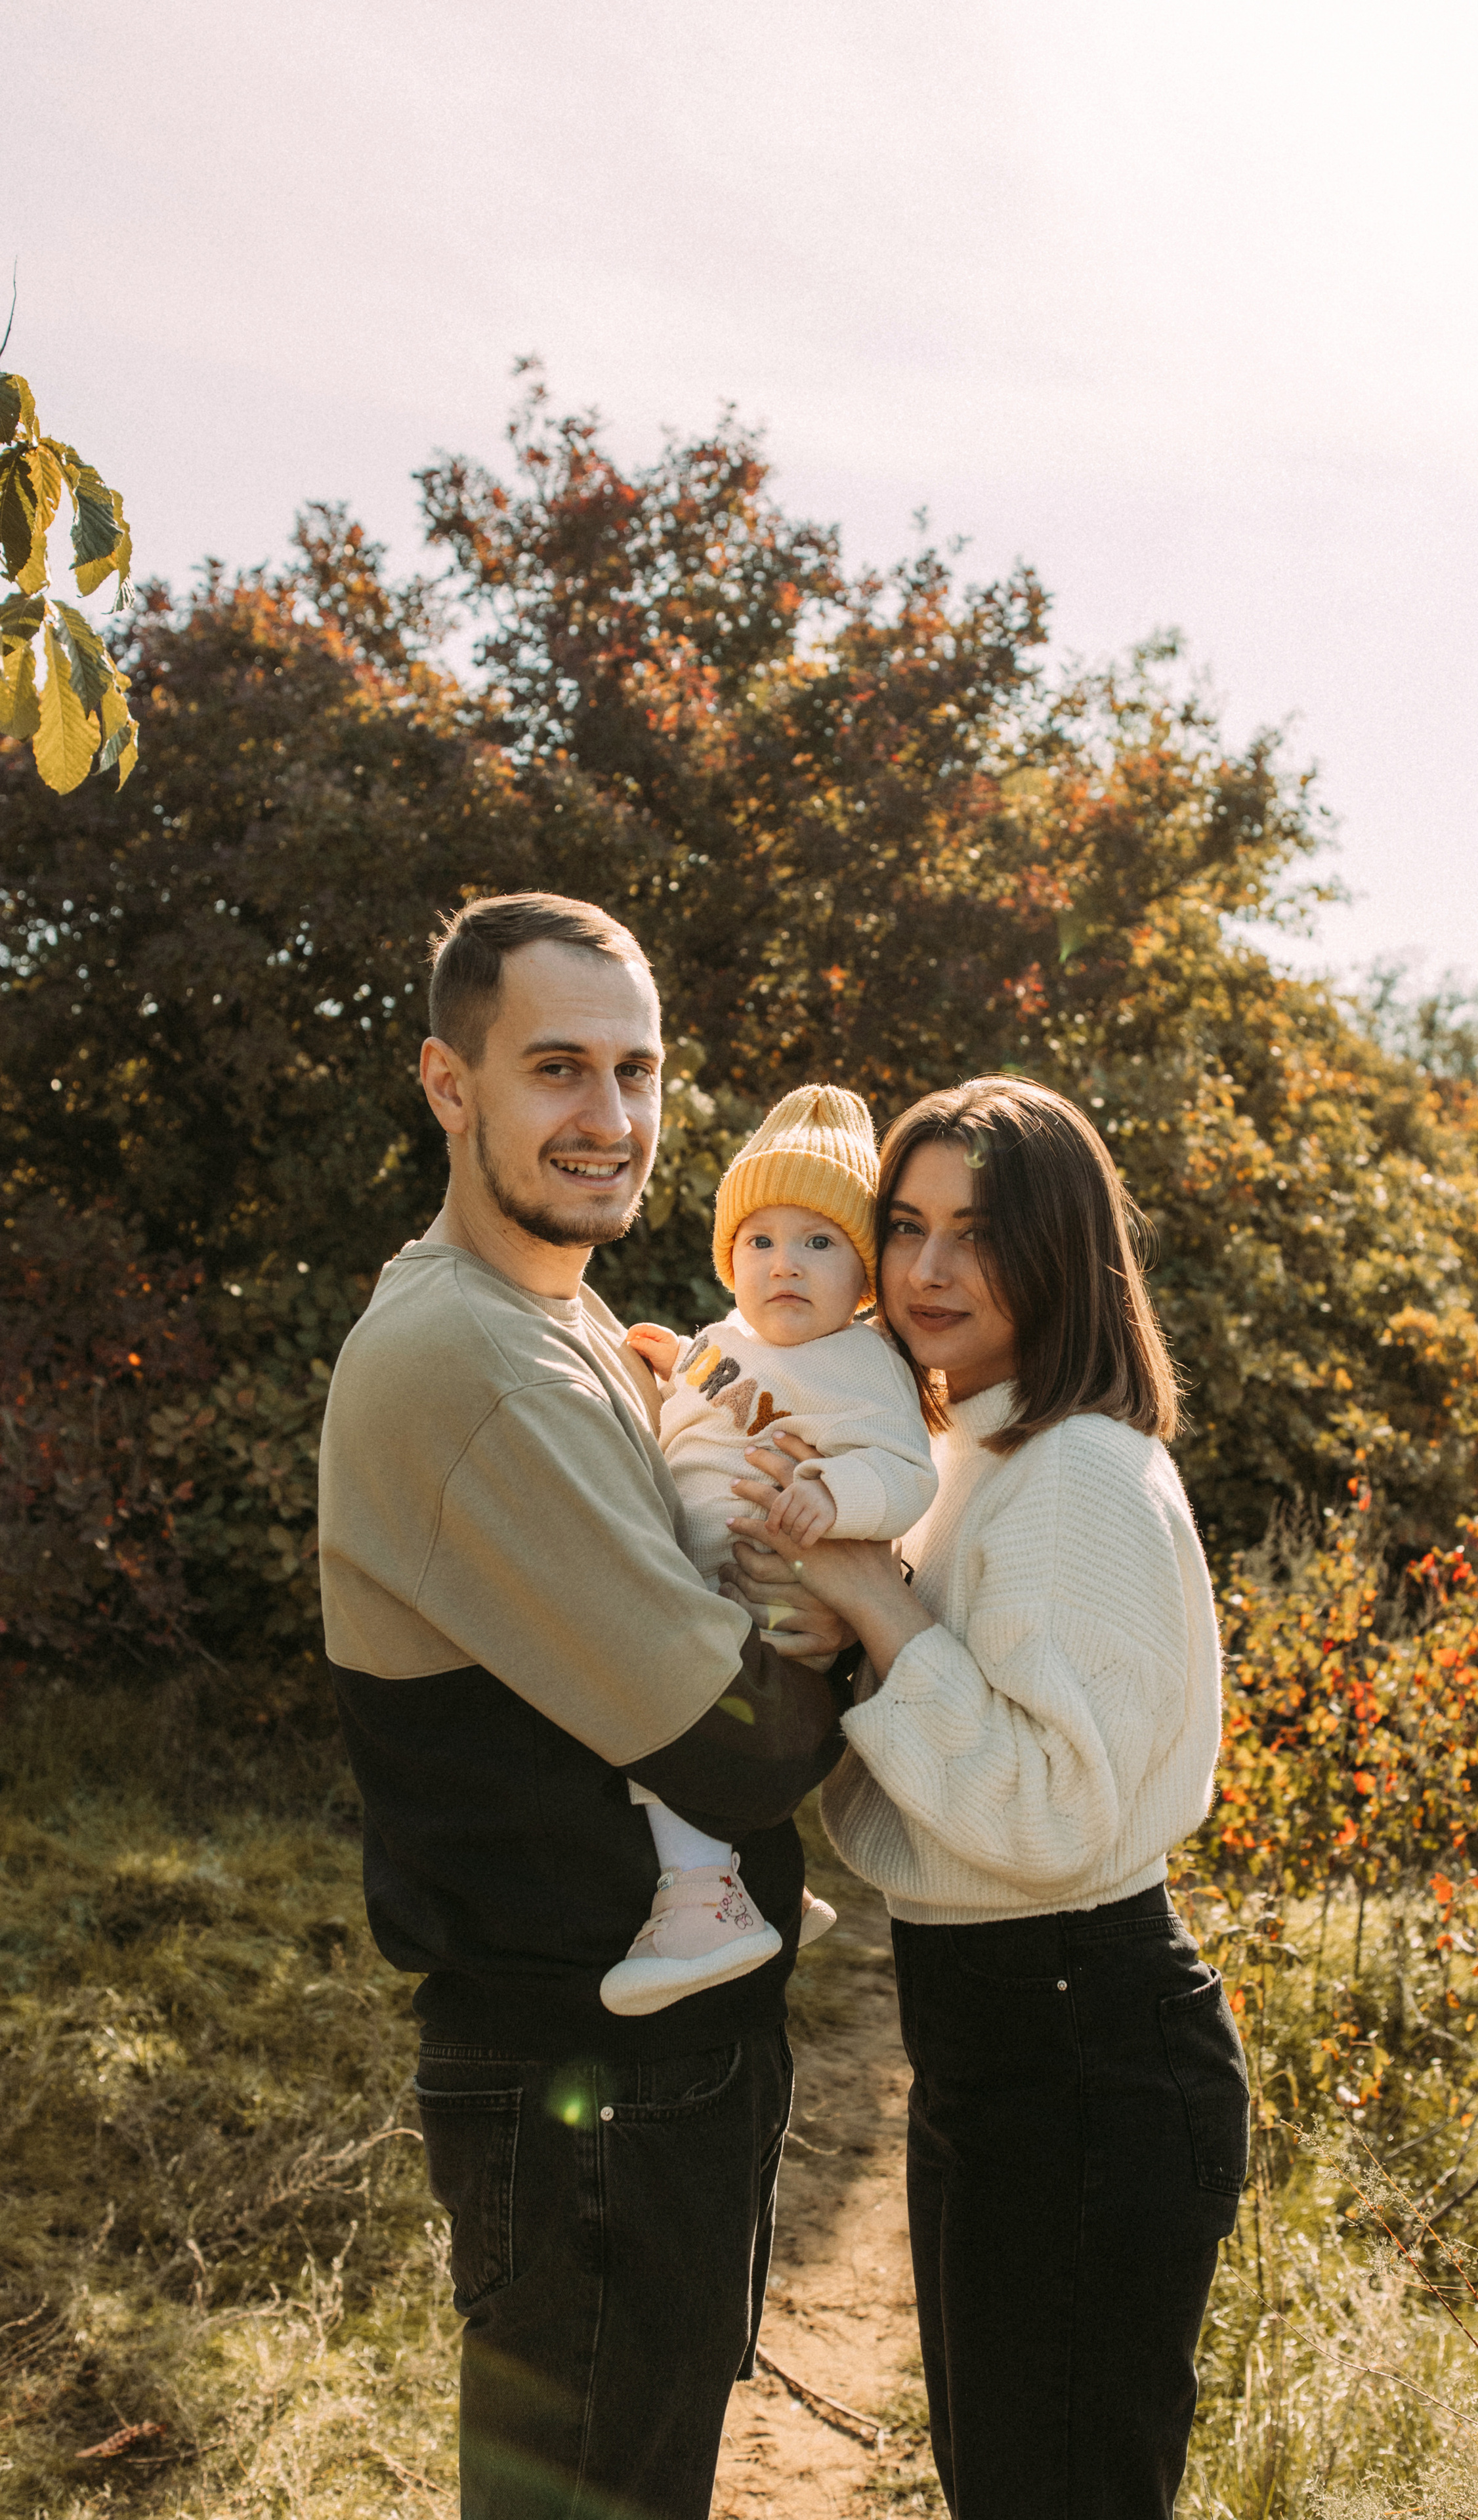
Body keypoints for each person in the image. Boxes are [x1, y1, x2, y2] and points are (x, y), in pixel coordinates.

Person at [316, 892, 858, 2520]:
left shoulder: (563, 1329)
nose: (610, 1120)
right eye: (558, 1068)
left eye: (637, 1073)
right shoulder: (465, 1357)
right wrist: (836, 1610)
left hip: (652, 2063)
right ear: (446, 1083)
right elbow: (740, 1745)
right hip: (585, 2080)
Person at [724, 1076, 1248, 2520]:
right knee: (1009, 2481)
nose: (928, 1269)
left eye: (978, 1231)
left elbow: (1051, 1815)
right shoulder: (962, 1456)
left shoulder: (1075, 1470)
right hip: (998, 2035)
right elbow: (922, 1785)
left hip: (1086, 2041)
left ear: (1063, 1251)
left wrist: (879, 1613)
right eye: (904, 1227)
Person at [606, 1081, 937, 2015]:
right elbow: (732, 1386)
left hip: (767, 1606)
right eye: (761, 1241)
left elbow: (907, 1476)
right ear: (731, 1258)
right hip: (704, 1579)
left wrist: (833, 1498)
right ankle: (754, 1878)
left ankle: (703, 1906)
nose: (784, 1264)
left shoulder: (865, 1364)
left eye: (817, 1242)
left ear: (863, 1277)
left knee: (660, 1723)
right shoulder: (727, 1340)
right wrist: (679, 1359)